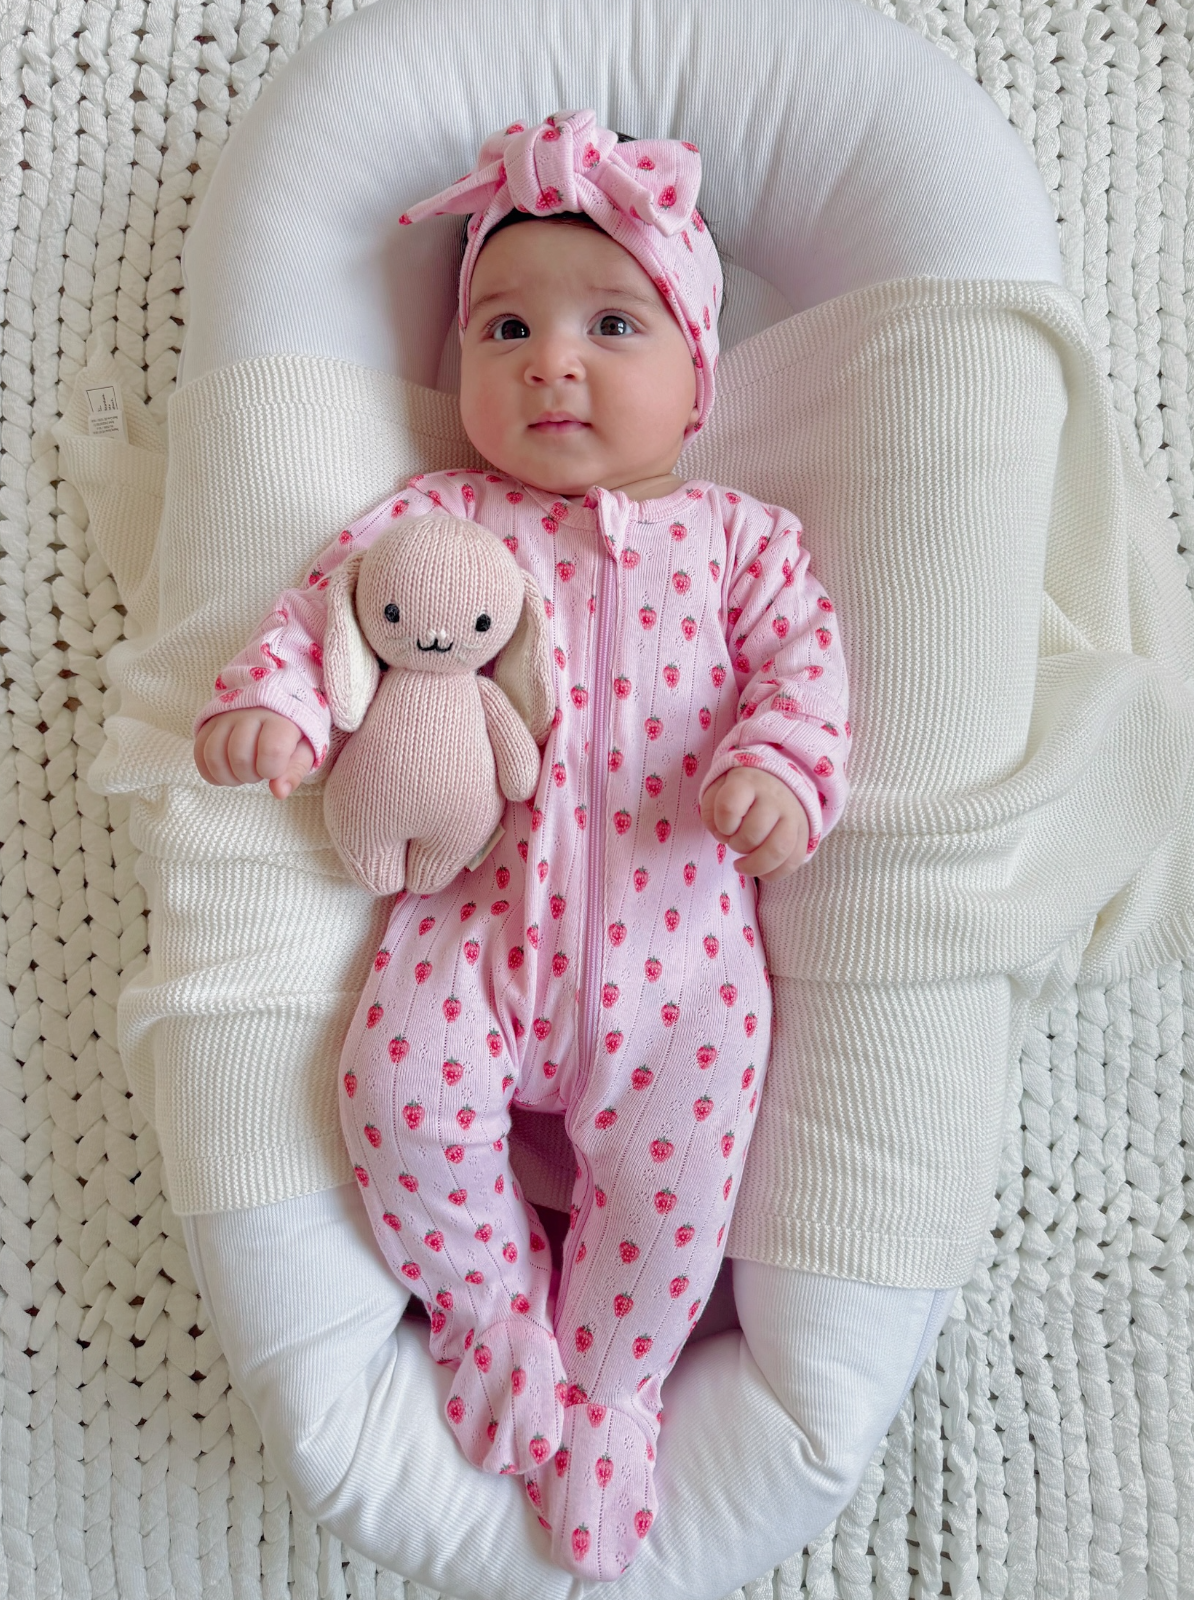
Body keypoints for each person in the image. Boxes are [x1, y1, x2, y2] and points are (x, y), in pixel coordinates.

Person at [192, 109, 850, 1581]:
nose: (552, 361)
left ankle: (609, 1392)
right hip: (466, 936)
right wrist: (276, 706)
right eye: (504, 328)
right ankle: (492, 1322)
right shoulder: (444, 517)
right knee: (394, 1100)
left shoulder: (741, 541)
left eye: (612, 324)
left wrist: (776, 771)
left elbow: (807, 673)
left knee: (677, 1194)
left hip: (683, 971)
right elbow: (330, 615)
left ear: (697, 372)